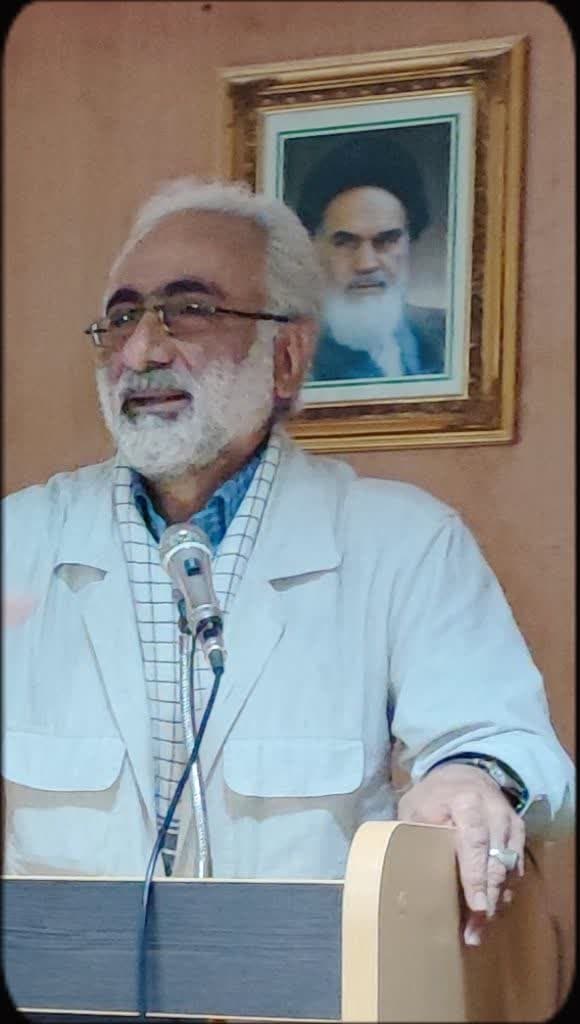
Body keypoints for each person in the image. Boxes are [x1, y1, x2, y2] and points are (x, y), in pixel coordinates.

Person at [3, 177, 573, 949]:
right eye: (124, 315)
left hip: (311, 981)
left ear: (287, 356)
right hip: (65, 985)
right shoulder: (21, 540)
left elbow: (508, 739)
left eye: (189, 309)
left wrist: (471, 779)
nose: (141, 350)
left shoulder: (402, 541)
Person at [295, 133, 446, 381]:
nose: (366, 264)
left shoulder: (451, 335)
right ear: (314, 246)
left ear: (410, 241)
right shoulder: (291, 356)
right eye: (345, 243)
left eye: (386, 241)